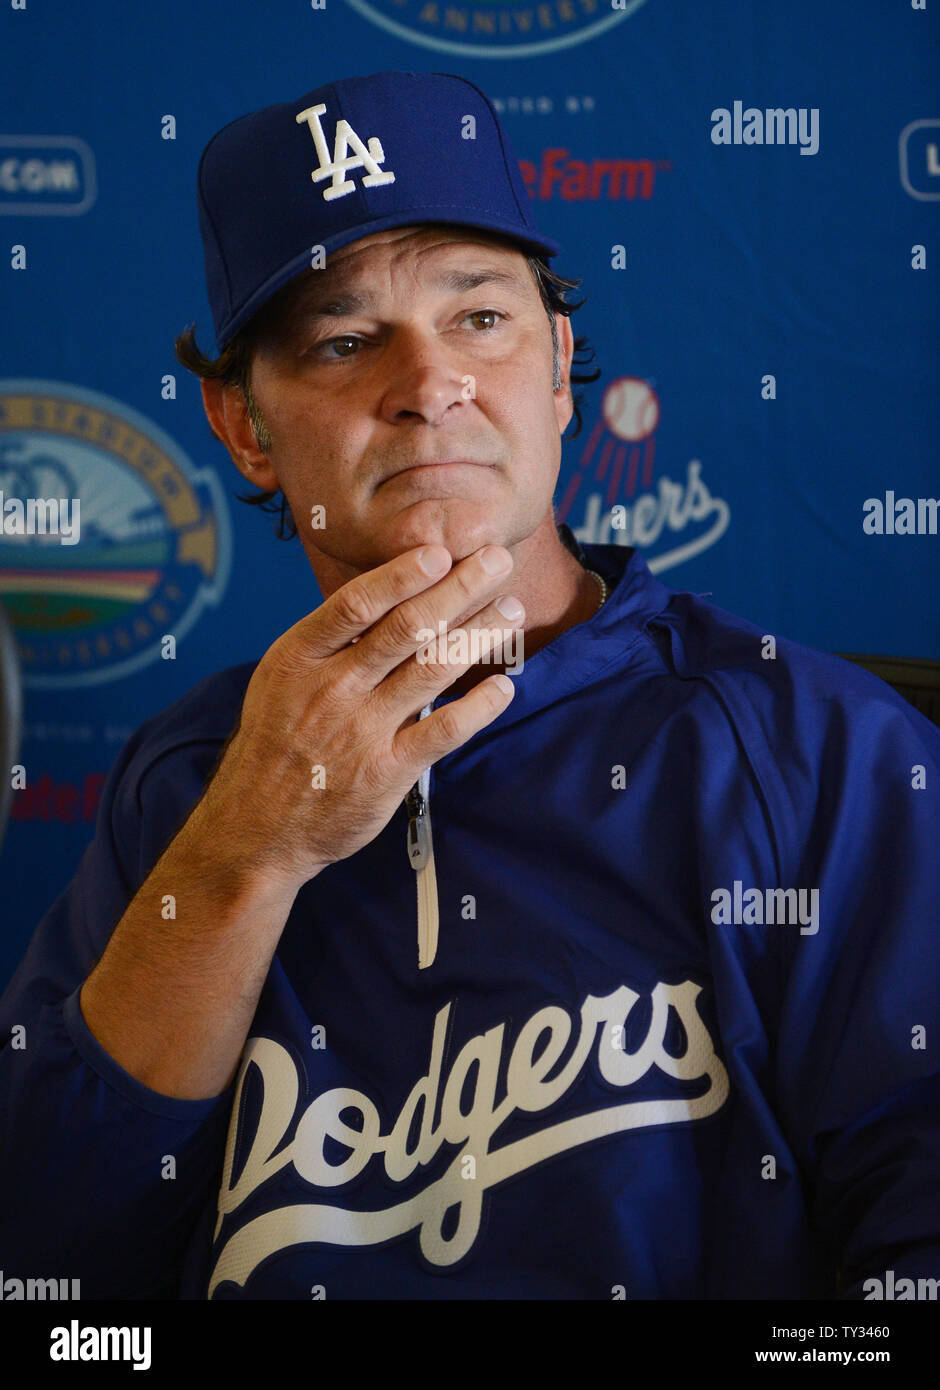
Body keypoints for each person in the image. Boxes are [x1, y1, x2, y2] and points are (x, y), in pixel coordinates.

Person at [1, 70, 938, 1302]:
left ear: (558, 368)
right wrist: (246, 851)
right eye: (343, 339)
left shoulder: (813, 747)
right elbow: (45, 1268)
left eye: (479, 317)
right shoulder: (186, 784)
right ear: (243, 427)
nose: (428, 382)